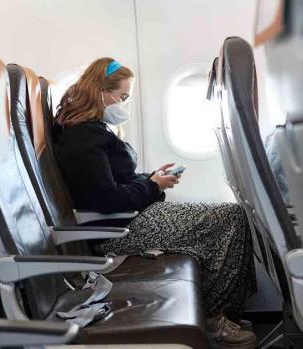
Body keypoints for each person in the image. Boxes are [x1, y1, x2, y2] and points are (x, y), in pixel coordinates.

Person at [52, 57, 257, 349]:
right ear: (101, 92)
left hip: (129, 216)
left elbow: (116, 182)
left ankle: (221, 315)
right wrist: (152, 185)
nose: (124, 103)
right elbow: (106, 198)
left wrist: (151, 178)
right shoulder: (83, 137)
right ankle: (216, 320)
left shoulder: (93, 130)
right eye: (122, 97)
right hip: (117, 229)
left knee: (228, 216)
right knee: (230, 218)